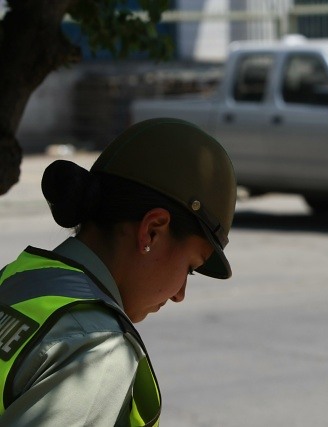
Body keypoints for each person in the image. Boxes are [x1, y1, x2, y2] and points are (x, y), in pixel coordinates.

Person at [0, 118, 237, 426]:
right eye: (190, 269)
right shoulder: (98, 348)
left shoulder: (17, 279)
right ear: (152, 231)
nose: (179, 295)